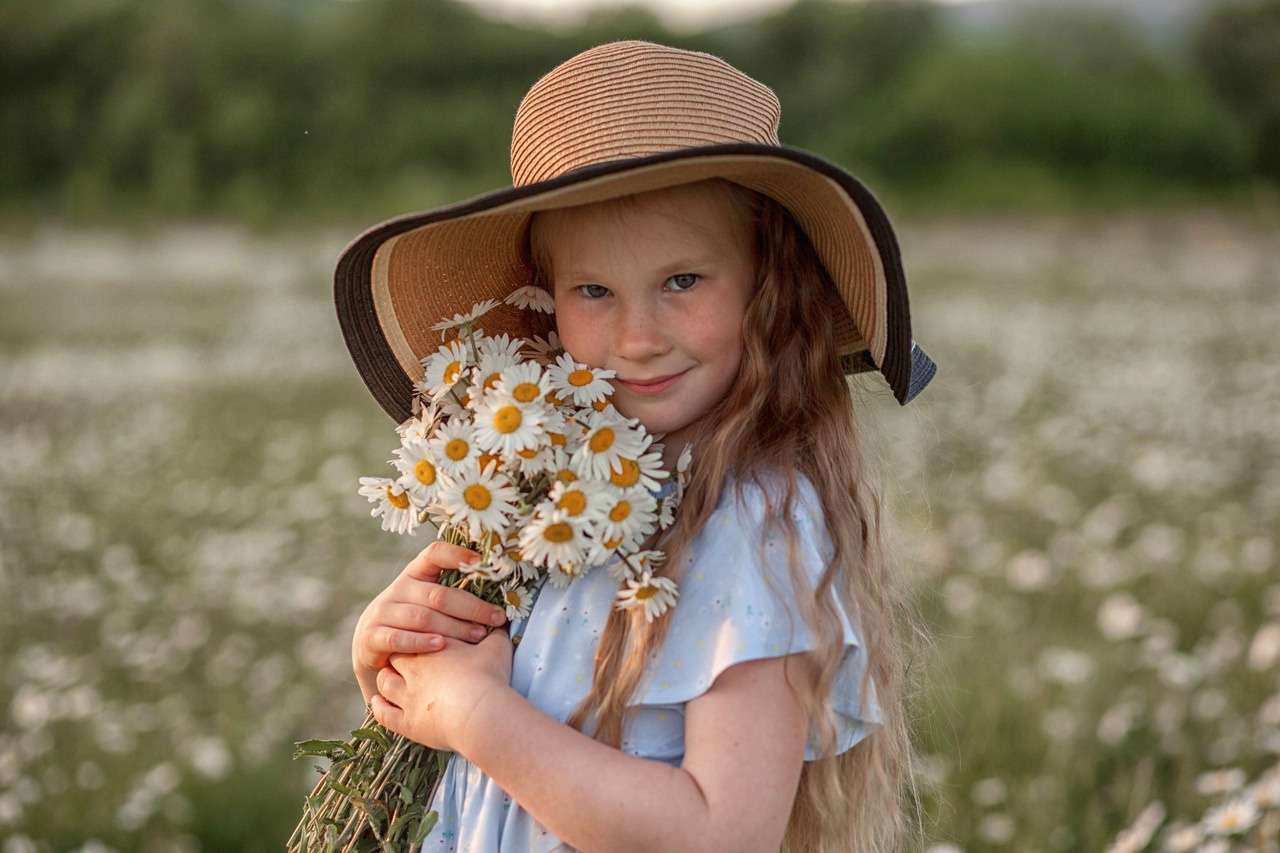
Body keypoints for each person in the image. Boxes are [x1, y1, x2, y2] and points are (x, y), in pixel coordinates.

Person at [334, 40, 936, 852]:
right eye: (595, 291)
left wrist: (477, 715)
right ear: (547, 302)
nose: (639, 337)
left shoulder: (756, 527)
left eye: (682, 281)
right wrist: (397, 656)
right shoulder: (549, 496)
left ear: (770, 287)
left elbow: (722, 830)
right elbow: (480, 719)